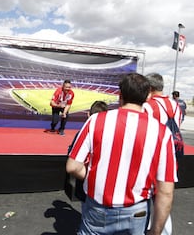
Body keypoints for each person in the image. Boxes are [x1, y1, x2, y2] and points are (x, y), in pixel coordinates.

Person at [66, 73, 178, 235]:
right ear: (147, 97)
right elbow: (166, 190)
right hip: (137, 212)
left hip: (98, 208)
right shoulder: (162, 132)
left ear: (120, 95)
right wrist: (156, 231)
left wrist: (95, 177)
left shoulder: (96, 120)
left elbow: (73, 166)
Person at [143, 73, 182, 235]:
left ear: (149, 88)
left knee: (145, 196)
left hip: (152, 156)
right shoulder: (175, 105)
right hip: (171, 154)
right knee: (163, 196)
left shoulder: (147, 106)